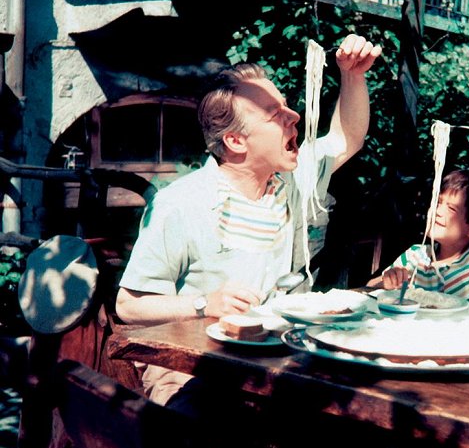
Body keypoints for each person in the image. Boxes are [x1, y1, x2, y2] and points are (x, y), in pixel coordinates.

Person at [115, 33, 382, 405]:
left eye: (287, 107)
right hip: (193, 367)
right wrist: (204, 304)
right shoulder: (180, 203)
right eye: (277, 116)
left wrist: (352, 75)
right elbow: (128, 305)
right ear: (237, 141)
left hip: (276, 363)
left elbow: (346, 139)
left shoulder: (291, 180)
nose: (295, 118)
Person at [378, 124, 469, 307]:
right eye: (438, 202)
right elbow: (371, 287)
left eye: (452, 209)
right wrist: (385, 282)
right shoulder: (415, 256)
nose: (438, 211)